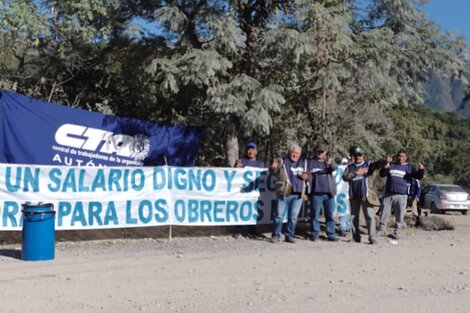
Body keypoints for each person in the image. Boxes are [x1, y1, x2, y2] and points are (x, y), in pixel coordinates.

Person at [378, 150, 425, 239]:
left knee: (399, 214)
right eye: (399, 156)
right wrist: (386, 165)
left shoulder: (409, 167)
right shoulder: (392, 165)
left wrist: (421, 170)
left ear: (406, 157)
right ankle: (381, 230)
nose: (400, 158)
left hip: (401, 194)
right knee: (384, 212)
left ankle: (397, 231)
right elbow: (382, 174)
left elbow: (418, 176)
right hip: (389, 193)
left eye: (403, 156)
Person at [342, 147, 385, 244]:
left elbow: (377, 165)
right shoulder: (350, 167)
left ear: (363, 156)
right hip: (353, 193)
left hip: (366, 194)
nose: (358, 157)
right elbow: (345, 177)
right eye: (356, 155)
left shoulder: (368, 165)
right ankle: (355, 237)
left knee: (369, 216)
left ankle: (372, 237)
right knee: (353, 217)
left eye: (360, 155)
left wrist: (385, 161)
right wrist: (356, 173)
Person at [269, 144, 308, 243]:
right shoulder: (282, 161)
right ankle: (276, 235)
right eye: (293, 153)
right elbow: (273, 170)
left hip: (298, 194)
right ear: (289, 152)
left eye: (297, 153)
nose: (295, 155)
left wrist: (306, 177)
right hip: (284, 193)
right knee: (279, 216)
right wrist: (273, 167)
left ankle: (289, 235)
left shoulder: (304, 162)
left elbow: (310, 177)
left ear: (300, 154)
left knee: (294, 217)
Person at [233, 142, 265, 238]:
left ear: (256, 151)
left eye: (253, 149)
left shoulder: (260, 164)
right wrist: (236, 168)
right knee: (240, 209)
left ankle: (252, 230)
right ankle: (238, 230)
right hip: (242, 191)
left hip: (254, 192)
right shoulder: (241, 161)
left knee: (253, 210)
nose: (250, 151)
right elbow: (232, 175)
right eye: (249, 149)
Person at [307, 144, 338, 242]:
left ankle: (331, 234)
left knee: (329, 215)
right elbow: (306, 173)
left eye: (322, 151)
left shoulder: (328, 161)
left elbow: (335, 167)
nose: (320, 153)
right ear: (315, 151)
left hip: (329, 193)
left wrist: (329, 163)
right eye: (319, 151)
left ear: (326, 152)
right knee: (315, 215)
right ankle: (315, 234)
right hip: (316, 192)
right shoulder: (310, 162)